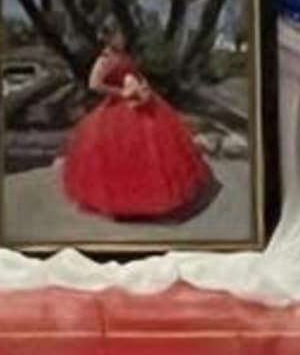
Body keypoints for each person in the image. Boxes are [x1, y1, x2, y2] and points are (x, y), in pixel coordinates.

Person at [56, 44, 215, 225]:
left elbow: (135, 74)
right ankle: (123, 204)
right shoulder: (104, 59)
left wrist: (144, 86)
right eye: (113, 35)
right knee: (121, 153)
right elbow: (94, 84)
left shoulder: (125, 54)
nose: (119, 38)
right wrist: (121, 93)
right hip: (118, 110)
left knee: (152, 154)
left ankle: (148, 199)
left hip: (142, 105)